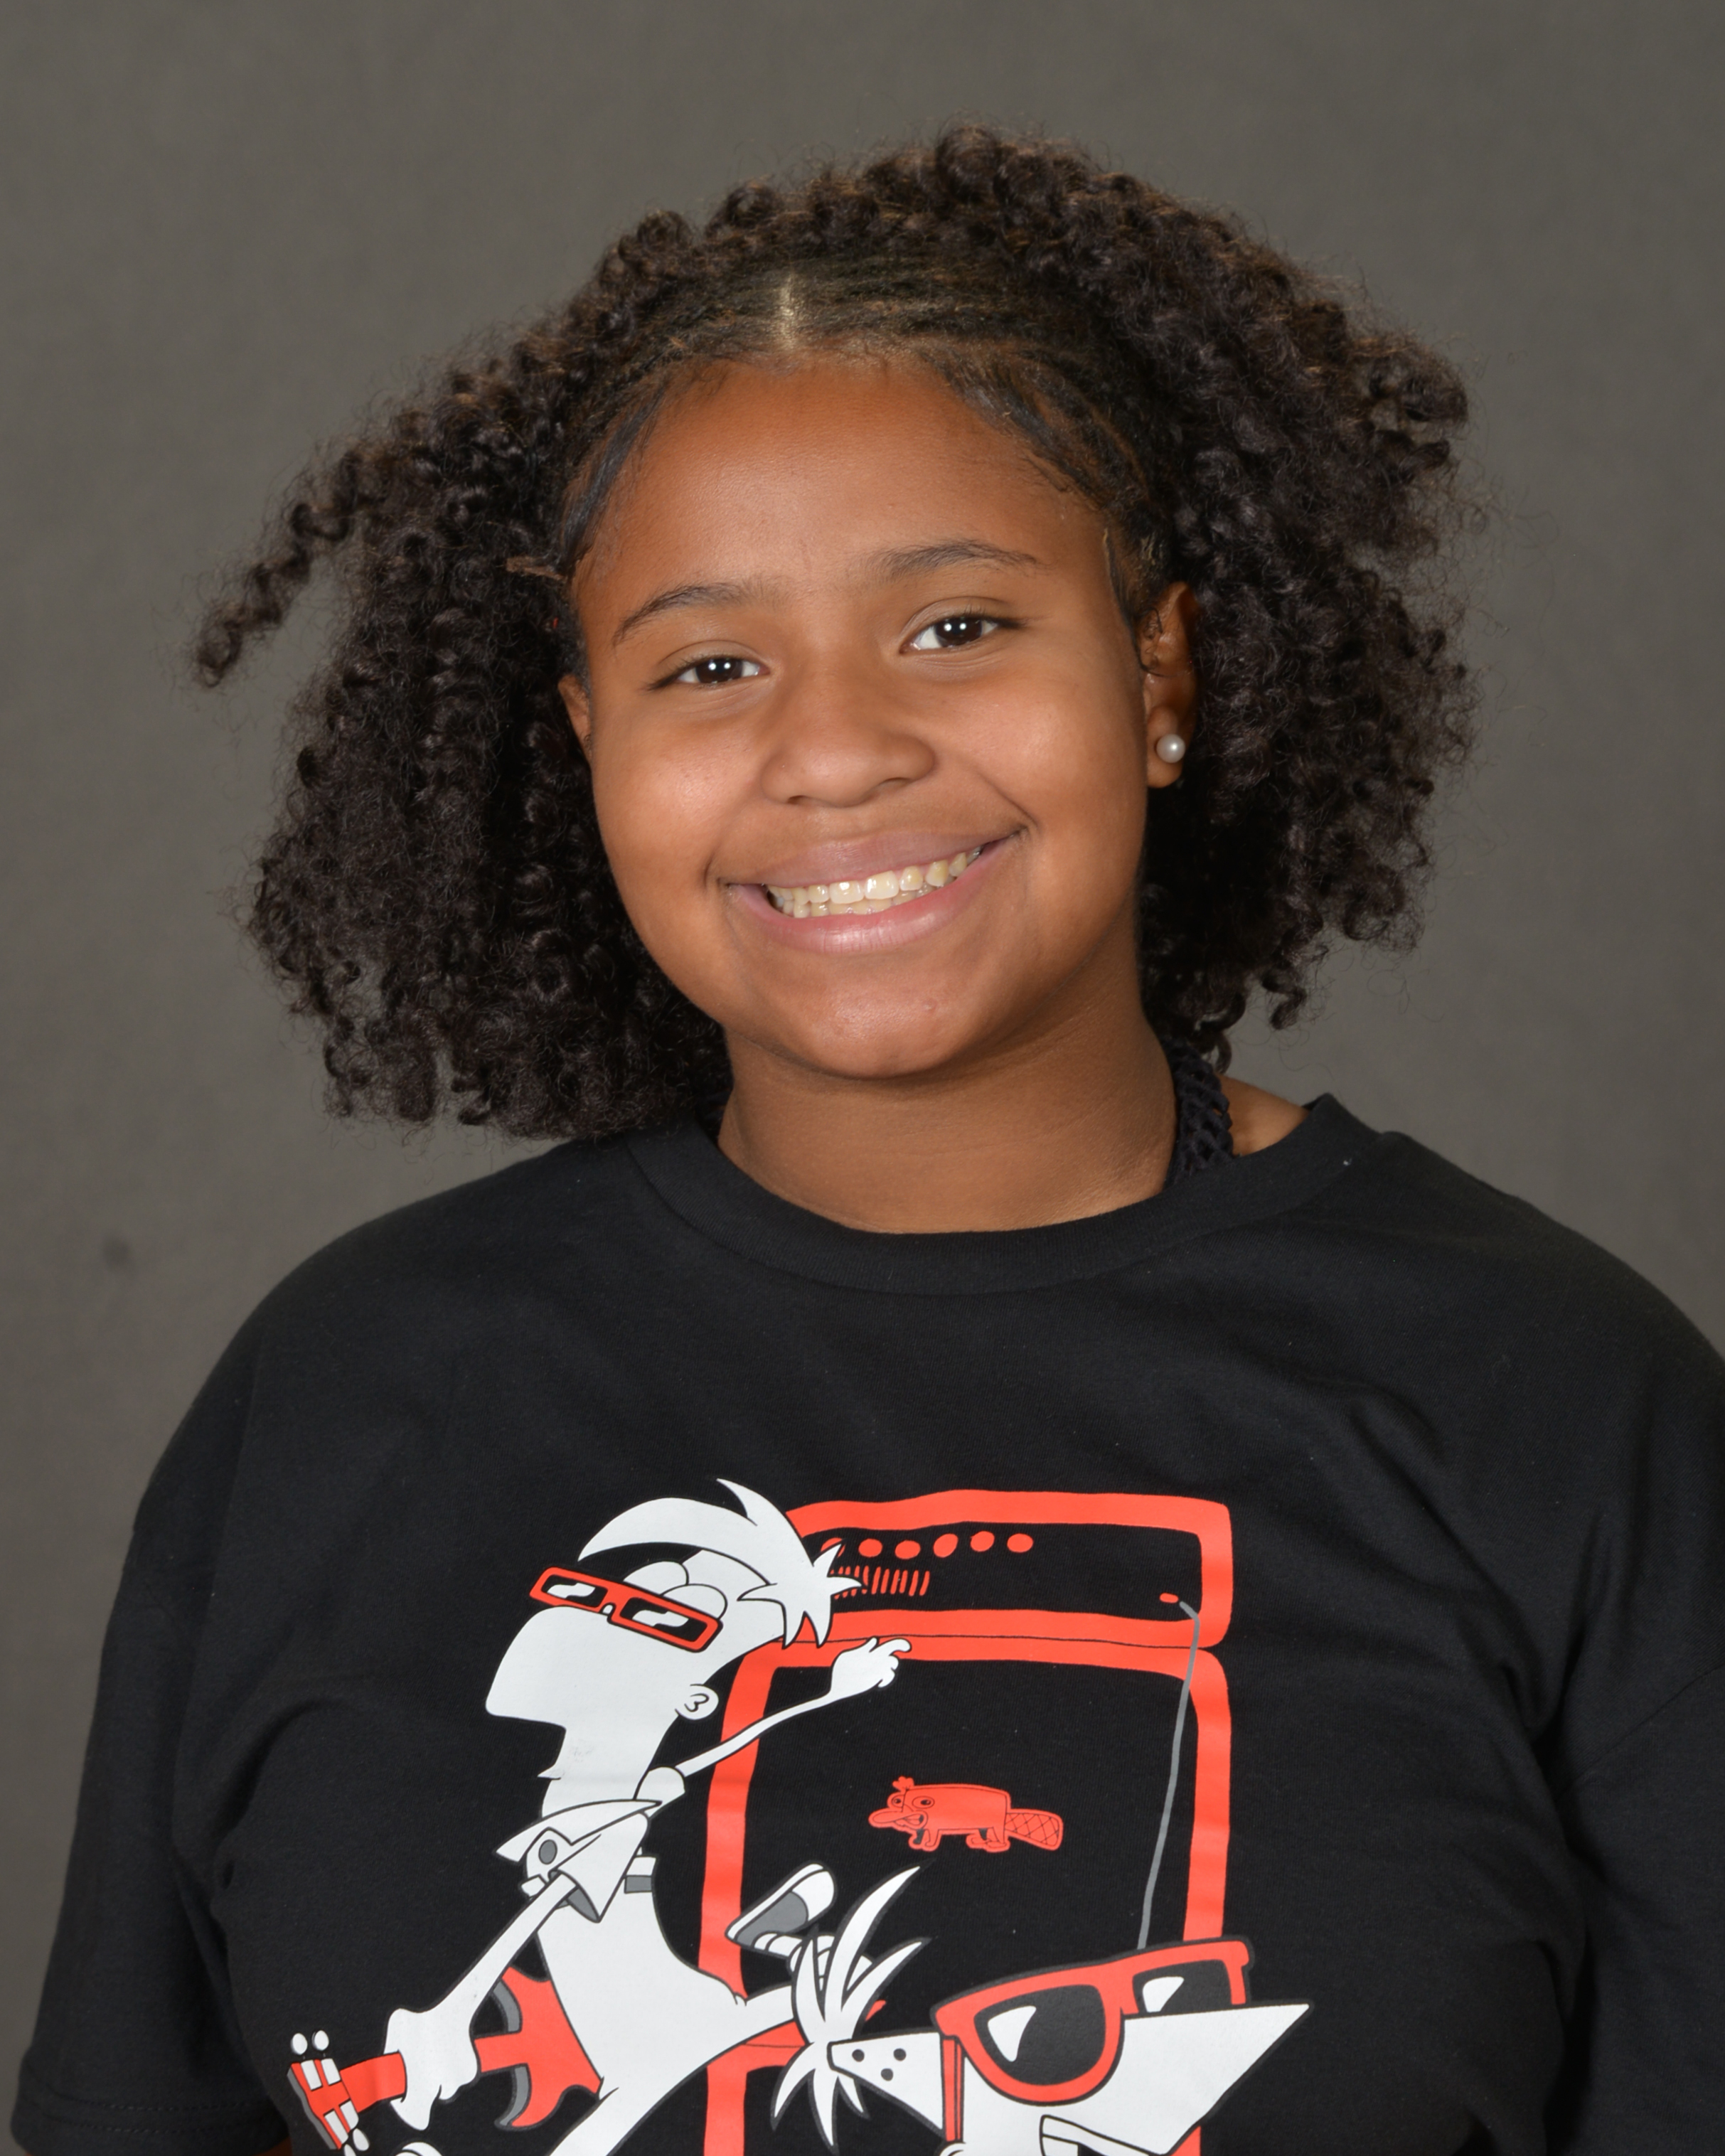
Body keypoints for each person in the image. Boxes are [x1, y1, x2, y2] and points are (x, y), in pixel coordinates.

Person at [14, 126, 1722, 2156]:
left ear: (1155, 674)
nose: (833, 751)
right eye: (710, 665)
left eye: (956, 627)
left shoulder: (1553, 1406)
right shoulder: (345, 1399)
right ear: (589, 744)